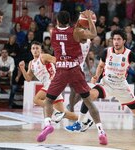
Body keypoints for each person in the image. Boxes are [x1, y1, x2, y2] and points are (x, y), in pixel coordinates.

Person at [66, 29, 135, 143]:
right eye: (114, 39)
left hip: (121, 87)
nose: (116, 42)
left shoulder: (130, 54)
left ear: (124, 41)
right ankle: (79, 123)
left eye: (119, 39)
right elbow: (100, 66)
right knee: (88, 96)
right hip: (106, 84)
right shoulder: (107, 52)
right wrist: (96, 76)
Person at [36, 10, 107, 145]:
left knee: (48, 101)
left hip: (61, 70)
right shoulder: (76, 32)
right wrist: (89, 20)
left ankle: (47, 124)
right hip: (75, 69)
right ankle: (101, 131)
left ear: (57, 21)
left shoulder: (52, 32)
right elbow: (93, 34)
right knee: (88, 102)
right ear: (70, 20)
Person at [19, 41, 79, 122]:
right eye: (33, 48)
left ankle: (56, 113)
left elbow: (57, 61)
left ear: (41, 50)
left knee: (36, 99)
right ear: (31, 50)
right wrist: (22, 69)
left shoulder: (44, 57)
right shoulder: (31, 63)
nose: (35, 50)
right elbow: (28, 79)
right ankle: (84, 120)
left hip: (52, 83)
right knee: (64, 113)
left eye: (37, 48)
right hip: (51, 85)